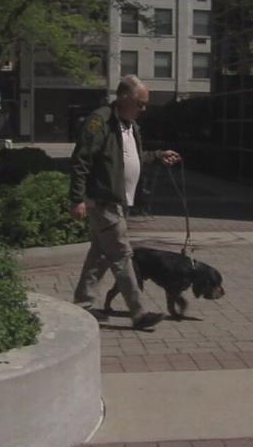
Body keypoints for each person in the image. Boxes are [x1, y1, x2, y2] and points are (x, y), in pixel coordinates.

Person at [69, 75, 181, 331]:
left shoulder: (130, 125)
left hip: (121, 202)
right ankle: (138, 312)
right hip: (103, 201)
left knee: (100, 256)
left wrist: (157, 155)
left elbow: (130, 158)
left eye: (145, 105)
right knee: (121, 254)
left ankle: (82, 304)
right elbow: (81, 161)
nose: (143, 109)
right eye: (140, 104)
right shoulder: (100, 121)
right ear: (123, 98)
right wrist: (77, 199)